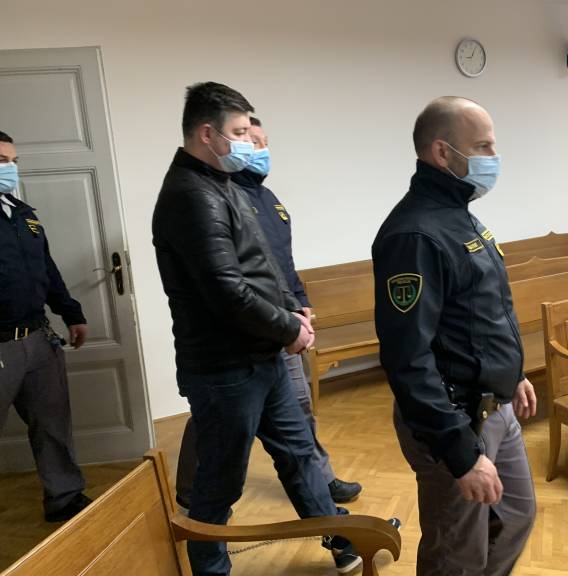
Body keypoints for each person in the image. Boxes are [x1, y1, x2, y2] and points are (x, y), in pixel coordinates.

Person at [152, 82, 365, 575]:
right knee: (221, 483)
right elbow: (226, 291)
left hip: (259, 355)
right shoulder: (190, 195)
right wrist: (288, 330)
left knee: (299, 455)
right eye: (240, 132)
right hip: (224, 369)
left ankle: (341, 540)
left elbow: (262, 262)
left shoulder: (222, 183)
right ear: (208, 134)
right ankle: (210, 569)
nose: (248, 143)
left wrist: (293, 309)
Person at [372, 96, 537, 576]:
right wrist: (461, 455)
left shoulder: (459, 213)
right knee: (457, 555)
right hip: (456, 419)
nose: (493, 157)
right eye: (482, 146)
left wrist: (512, 374)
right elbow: (408, 359)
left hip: (495, 406)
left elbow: (479, 314)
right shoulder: (415, 235)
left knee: (516, 516)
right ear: (442, 153)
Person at [0, 130, 91, 522]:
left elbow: (46, 269)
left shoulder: (23, 213)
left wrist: (72, 313)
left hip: (38, 338)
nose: (10, 169)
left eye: (13, 161)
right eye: (2, 161)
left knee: (53, 424)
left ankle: (64, 499)